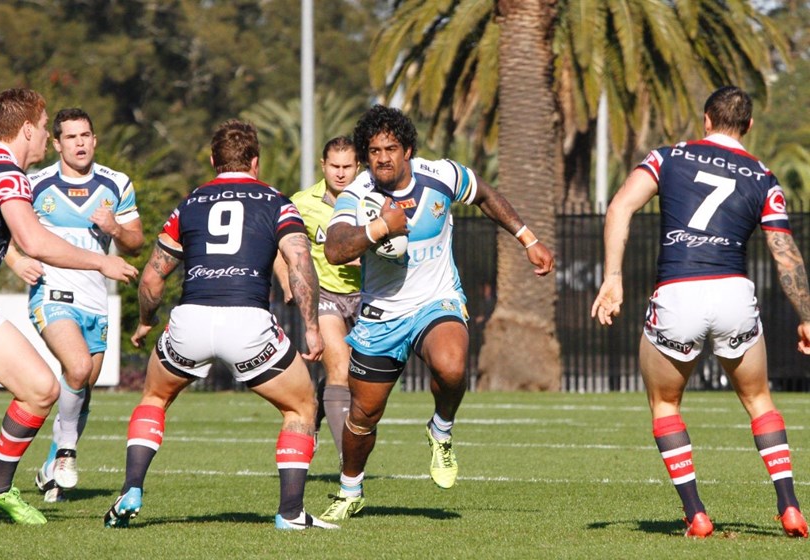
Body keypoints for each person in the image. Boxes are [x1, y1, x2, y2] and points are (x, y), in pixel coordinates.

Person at [591, 86, 810, 539]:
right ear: (747, 126)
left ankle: (697, 515)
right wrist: (806, 314)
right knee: (759, 400)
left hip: (679, 294)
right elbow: (784, 251)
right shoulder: (764, 177)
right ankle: (789, 505)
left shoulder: (667, 156)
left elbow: (620, 207)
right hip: (733, 294)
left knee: (665, 404)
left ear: (706, 120)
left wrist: (613, 276)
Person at [318, 105, 554, 522]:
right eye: (373, 151)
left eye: (391, 148)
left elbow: (484, 194)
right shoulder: (358, 194)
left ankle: (441, 429)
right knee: (363, 415)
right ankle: (350, 488)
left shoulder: (441, 175)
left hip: (436, 300)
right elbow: (335, 249)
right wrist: (378, 229)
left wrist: (527, 237)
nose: (383, 157)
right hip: (381, 315)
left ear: (407, 149)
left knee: (451, 365)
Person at [103, 119, 337, 530]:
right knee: (300, 406)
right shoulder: (276, 202)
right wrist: (312, 327)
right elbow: (300, 264)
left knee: (154, 399)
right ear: (256, 162)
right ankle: (291, 513)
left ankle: (132, 488)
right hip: (246, 323)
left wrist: (145, 321)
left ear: (213, 161)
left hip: (190, 320)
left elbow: (153, 278)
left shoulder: (190, 203)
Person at [0, 88, 137, 525]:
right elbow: (34, 241)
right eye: (46, 129)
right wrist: (103, 260)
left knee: (41, 388)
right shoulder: (7, 176)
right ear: (27, 129)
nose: (48, 138)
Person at [4, 108, 144, 503]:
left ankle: (51, 469)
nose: (80, 143)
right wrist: (18, 261)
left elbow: (135, 241)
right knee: (78, 367)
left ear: (95, 140)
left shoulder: (117, 184)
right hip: (52, 293)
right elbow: (1, 233)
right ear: (56, 143)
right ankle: (67, 455)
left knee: (80, 386)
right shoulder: (34, 183)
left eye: (86, 135)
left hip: (95, 299)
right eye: (70, 137)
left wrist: (114, 228)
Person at [274, 136, 360, 459]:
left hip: (367, 296)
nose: (340, 173)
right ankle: (349, 465)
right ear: (323, 165)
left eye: (347, 167)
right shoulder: (301, 203)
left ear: (358, 167)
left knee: (355, 376)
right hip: (325, 295)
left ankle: (321, 408)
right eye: (334, 166)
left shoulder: (372, 199)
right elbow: (280, 248)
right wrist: (287, 284)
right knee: (339, 364)